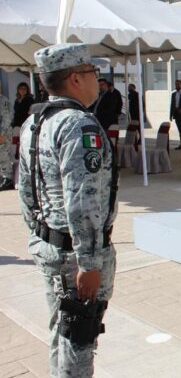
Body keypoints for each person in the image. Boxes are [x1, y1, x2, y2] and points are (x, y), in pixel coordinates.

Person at [18, 43, 117, 377]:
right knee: (79, 339)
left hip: (50, 245)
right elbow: (83, 199)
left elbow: (25, 189)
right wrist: (89, 262)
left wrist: (40, 232)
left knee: (62, 333)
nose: (97, 80)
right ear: (76, 78)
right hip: (76, 257)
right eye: (93, 73)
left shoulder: (35, 121)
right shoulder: (78, 125)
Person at [0, 89, 12, 191]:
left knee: (3, 157)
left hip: (3, 133)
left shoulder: (3, 100)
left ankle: (7, 179)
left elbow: (7, 118)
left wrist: (2, 134)